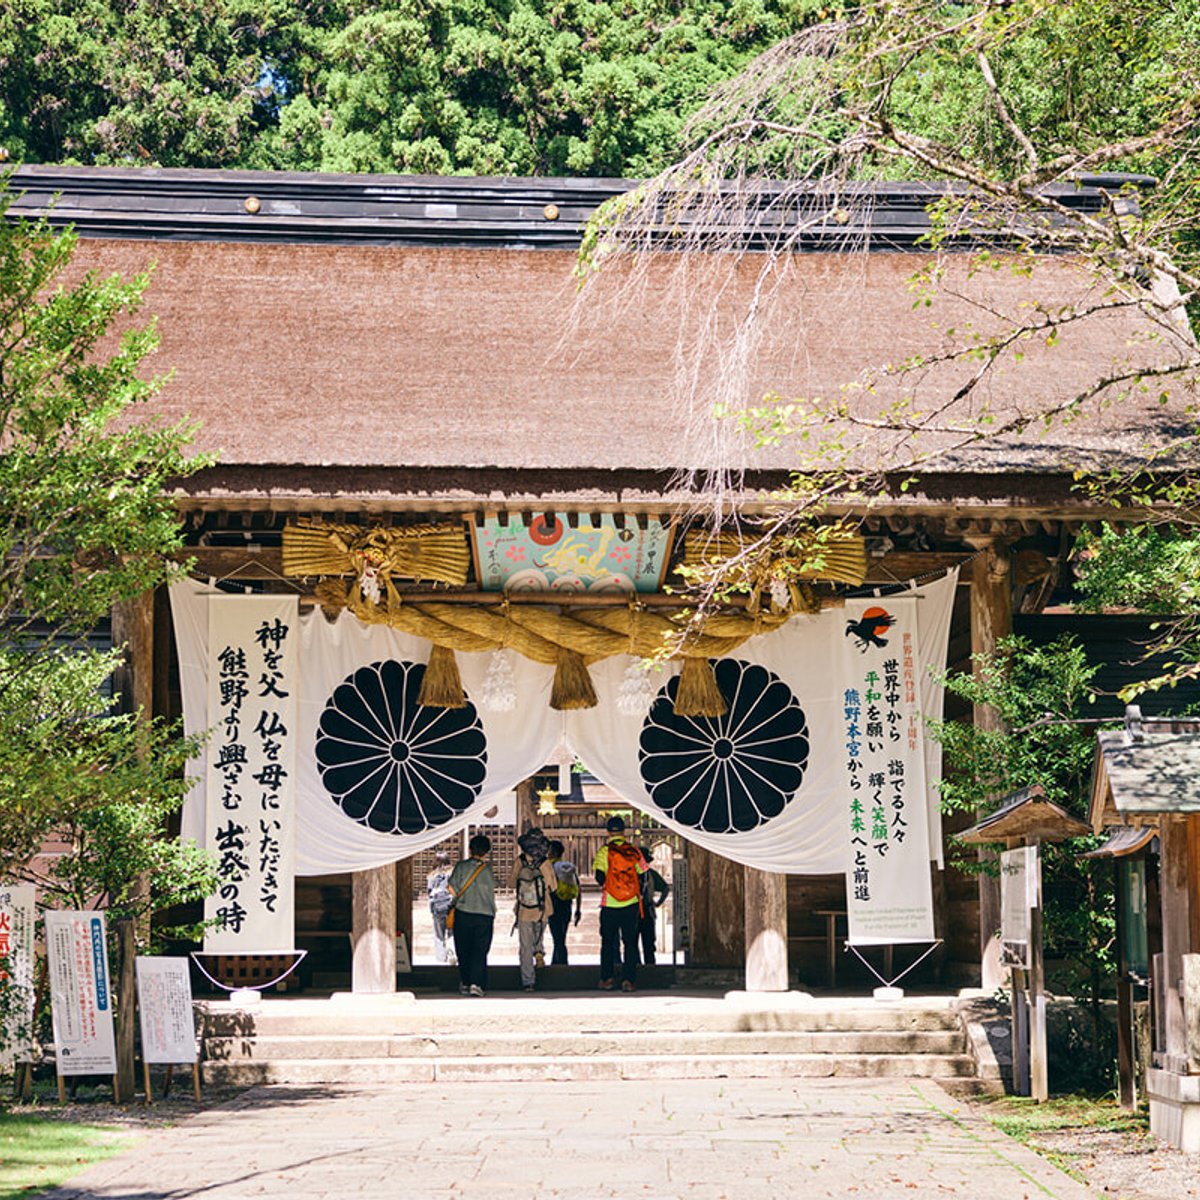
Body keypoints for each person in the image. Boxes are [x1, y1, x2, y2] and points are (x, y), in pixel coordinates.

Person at [592, 815, 645, 992]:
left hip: (610, 903)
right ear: (624, 831)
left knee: (607, 943)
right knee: (630, 943)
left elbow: (599, 877)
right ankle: (628, 981)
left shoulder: (604, 852)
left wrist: (611, 886)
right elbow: (643, 874)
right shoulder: (634, 851)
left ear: (608, 832)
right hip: (630, 904)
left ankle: (607, 979)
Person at [509, 827, 557, 991]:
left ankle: (528, 981)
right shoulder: (545, 863)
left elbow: (511, 883)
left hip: (523, 910)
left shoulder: (520, 861)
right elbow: (553, 886)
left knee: (525, 945)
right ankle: (539, 952)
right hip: (543, 908)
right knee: (538, 937)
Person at [449, 834, 496, 996]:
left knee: (463, 949)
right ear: (486, 851)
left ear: (470, 849)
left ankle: (466, 981)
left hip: (464, 913)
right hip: (485, 914)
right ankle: (477, 983)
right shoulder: (488, 870)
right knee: (480, 950)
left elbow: (451, 889)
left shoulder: (461, 867)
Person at [546, 839, 582, 966]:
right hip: (567, 905)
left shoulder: (549, 867)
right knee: (561, 936)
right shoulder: (568, 867)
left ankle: (562, 964)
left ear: (553, 852)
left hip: (554, 905)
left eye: (549, 850)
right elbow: (578, 887)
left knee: (558, 938)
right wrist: (578, 909)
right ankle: (556, 963)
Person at [637, 846, 670, 966]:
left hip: (635, 911)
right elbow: (665, 888)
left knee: (634, 944)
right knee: (648, 944)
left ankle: (637, 969)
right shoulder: (651, 875)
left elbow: (666, 888)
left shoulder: (629, 874)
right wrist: (658, 902)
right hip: (647, 910)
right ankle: (649, 969)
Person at [426, 850, 456, 965]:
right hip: (450, 905)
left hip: (436, 907)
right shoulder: (452, 872)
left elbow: (429, 892)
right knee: (452, 931)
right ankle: (452, 953)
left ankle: (440, 957)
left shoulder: (431, 875)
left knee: (439, 933)